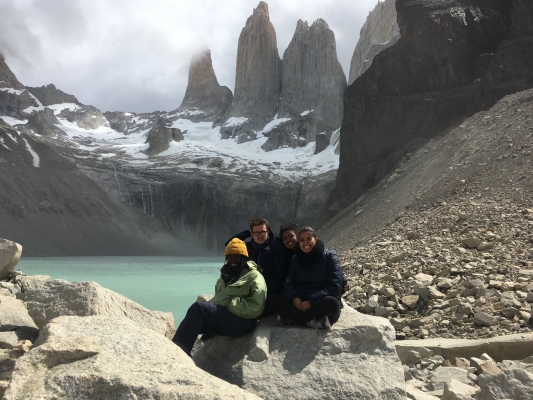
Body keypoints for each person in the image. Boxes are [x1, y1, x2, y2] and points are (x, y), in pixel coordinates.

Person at [172, 238, 266, 356]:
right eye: (229, 256)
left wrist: (229, 303)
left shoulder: (254, 277)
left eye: (236, 256)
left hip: (243, 322)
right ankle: (174, 351)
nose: (232, 260)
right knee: (191, 321)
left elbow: (256, 307)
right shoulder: (225, 276)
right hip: (229, 319)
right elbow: (219, 298)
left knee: (198, 308)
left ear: (244, 257)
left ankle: (179, 353)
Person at [265, 226, 343, 329]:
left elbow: (334, 286)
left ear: (316, 239)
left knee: (332, 304)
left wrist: (311, 301)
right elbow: (289, 283)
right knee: (272, 299)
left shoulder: (330, 256)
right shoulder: (295, 259)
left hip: (319, 301)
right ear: (299, 242)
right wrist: (295, 298)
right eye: (302, 240)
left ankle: (294, 318)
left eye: (308, 239)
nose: (305, 243)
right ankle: (311, 321)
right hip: (300, 302)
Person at [226, 217, 285, 296]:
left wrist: (266, 293)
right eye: (256, 233)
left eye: (263, 232)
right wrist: (247, 233)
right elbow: (229, 245)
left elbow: (280, 274)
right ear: (252, 234)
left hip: (270, 291)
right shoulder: (248, 247)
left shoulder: (276, 245)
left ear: (268, 231)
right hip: (251, 289)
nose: (260, 235)